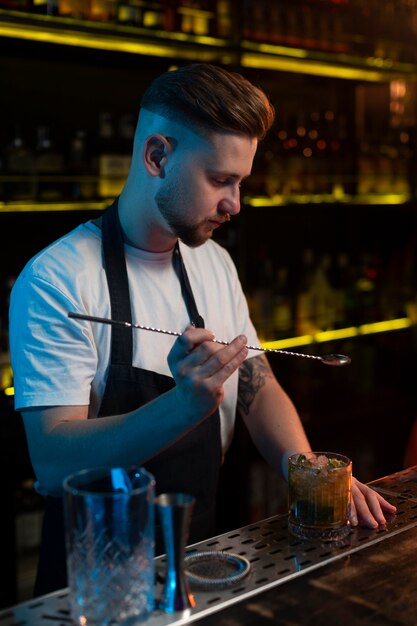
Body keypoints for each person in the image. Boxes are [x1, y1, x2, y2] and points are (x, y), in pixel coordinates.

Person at [9, 63, 396, 597]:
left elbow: (258, 389)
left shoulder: (213, 263)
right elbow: (53, 464)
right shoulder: (58, 280)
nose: (235, 203)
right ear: (157, 157)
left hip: (200, 562)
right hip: (95, 585)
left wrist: (306, 470)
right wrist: (182, 406)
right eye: (220, 180)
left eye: (240, 182)